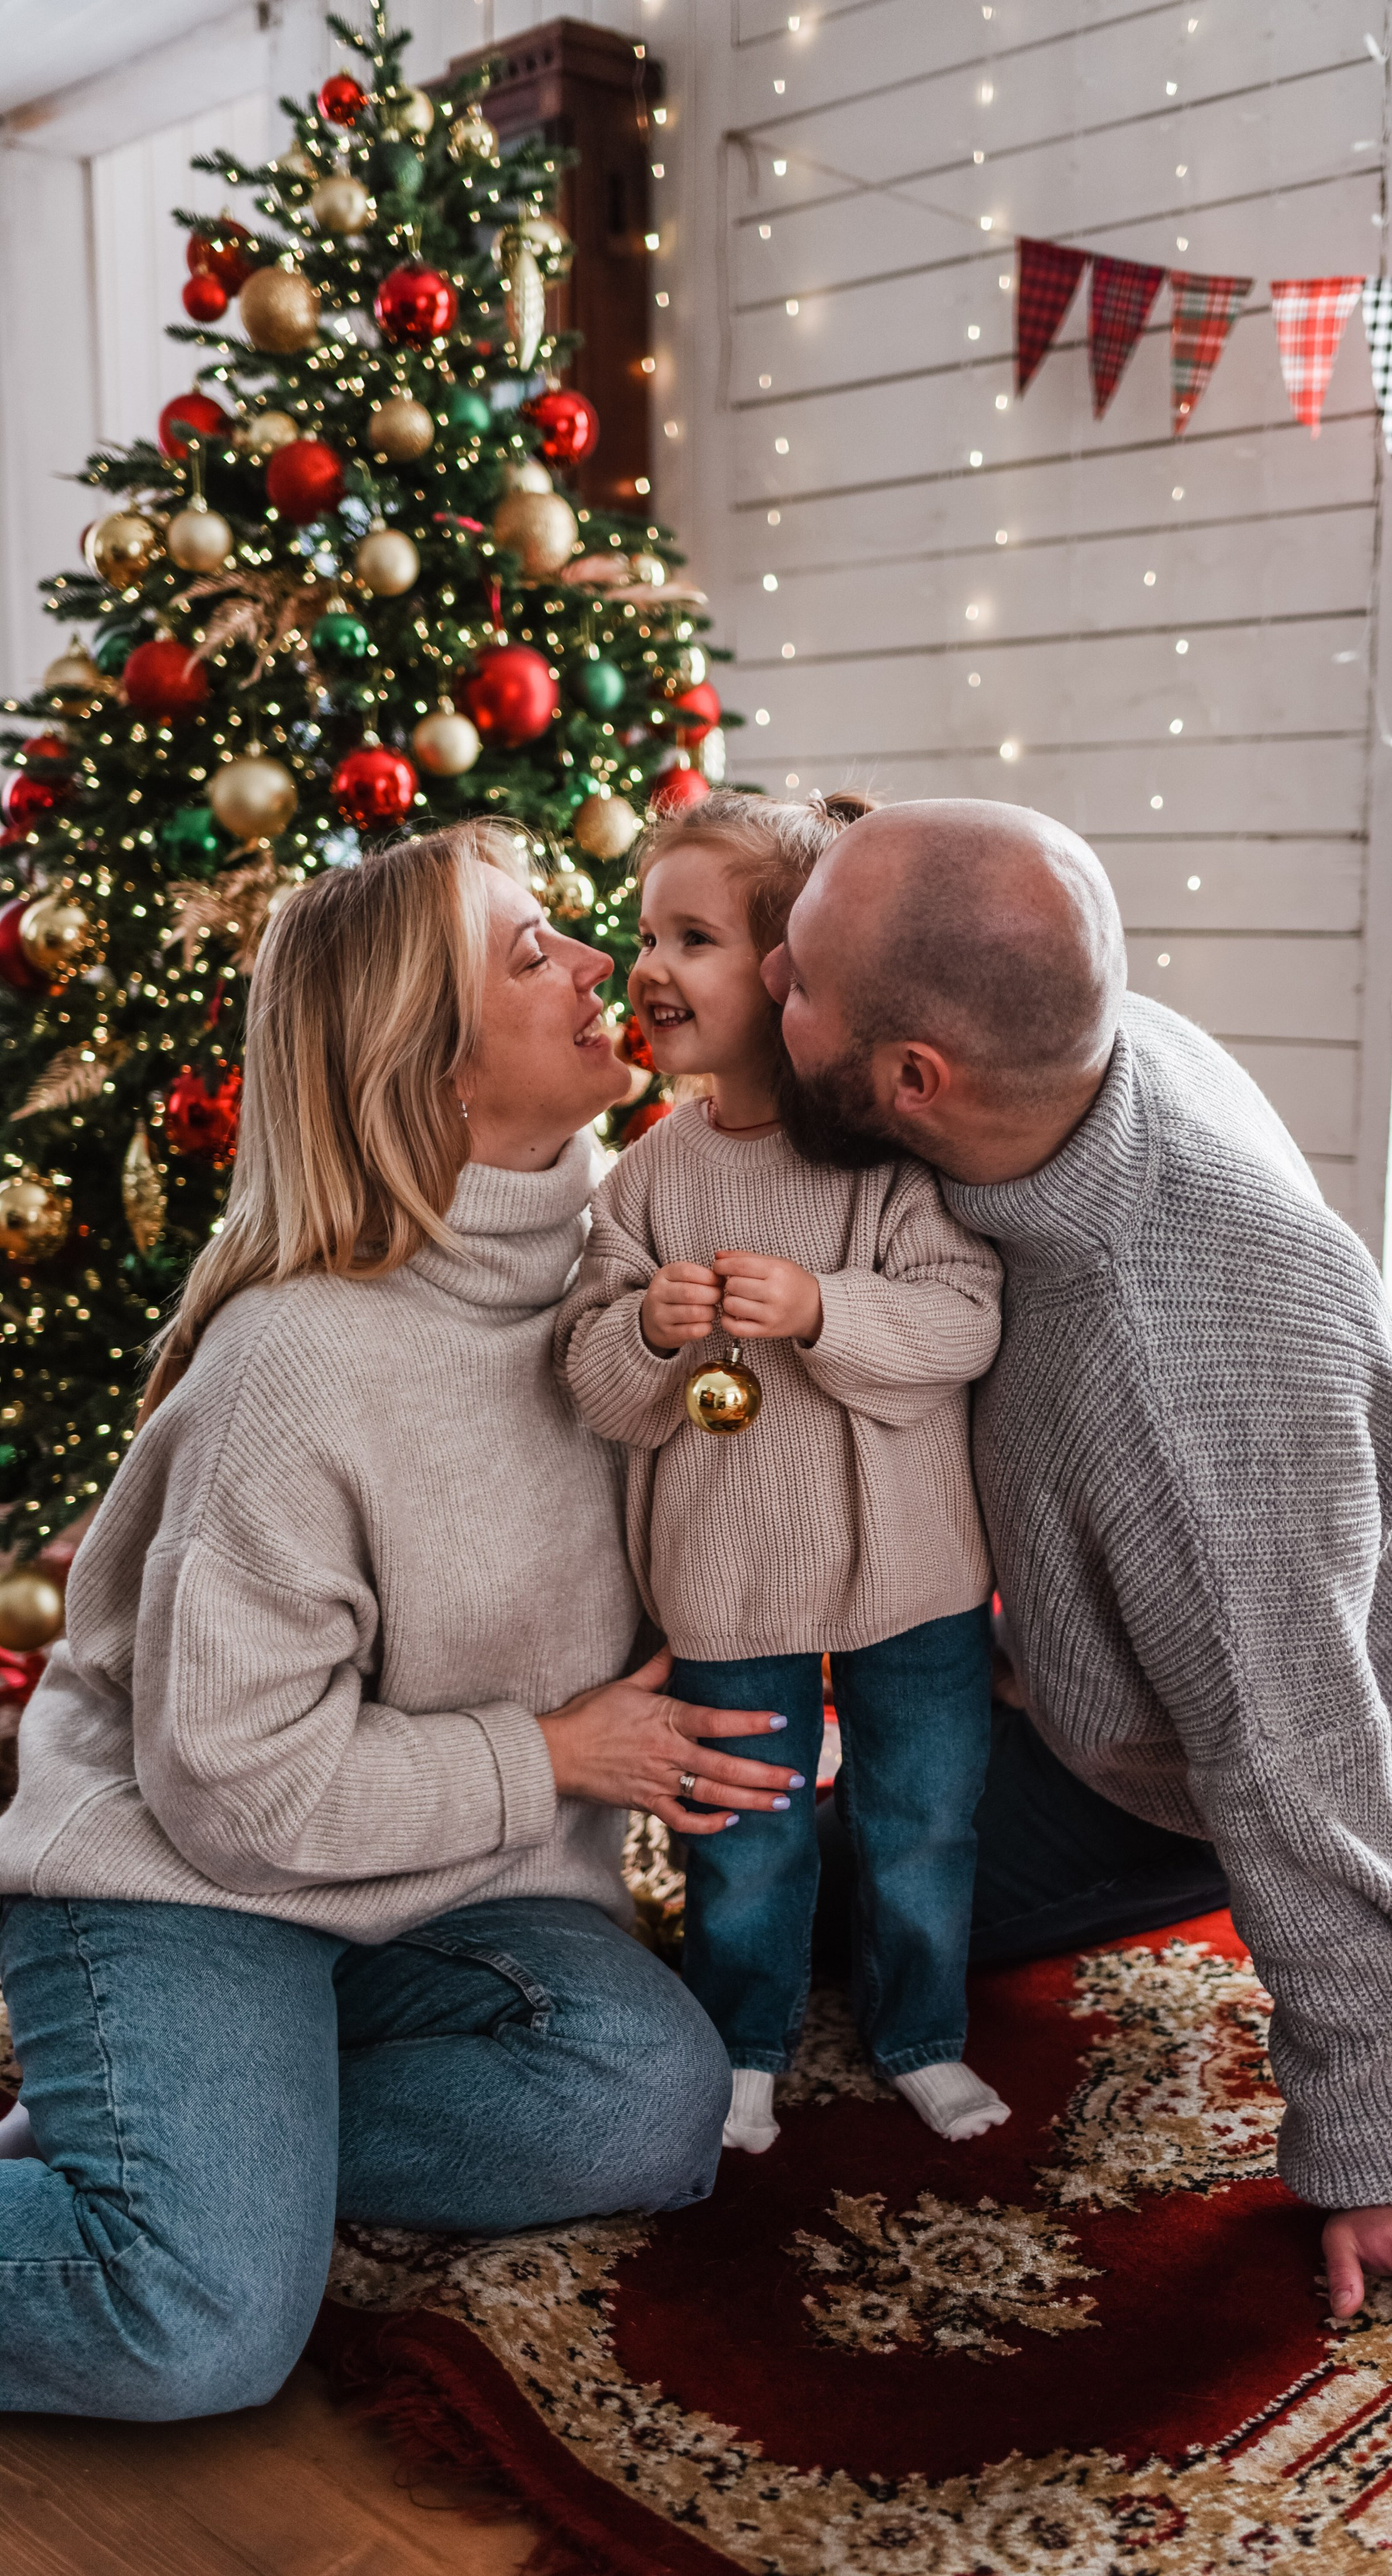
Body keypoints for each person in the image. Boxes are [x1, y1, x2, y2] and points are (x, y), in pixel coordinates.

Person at [766, 795, 1392, 2364]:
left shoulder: (1179, 1380)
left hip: (1294, 1720)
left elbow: (1295, 1761)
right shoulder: (1081, 1045)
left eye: (794, 977)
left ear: (914, 1080)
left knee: (819, 1900)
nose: (761, 988)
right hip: (1207, 1605)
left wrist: (1386, 2160)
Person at [0, 822, 801, 2421]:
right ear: (429, 1075)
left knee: (652, 2103)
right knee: (191, 2327)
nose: (602, 963)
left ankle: (205, 2148)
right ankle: (191, 2182)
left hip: (454, 1894)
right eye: (531, 954)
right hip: (190, 1877)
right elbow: (234, 1789)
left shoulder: (634, 1273)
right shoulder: (296, 1365)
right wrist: (554, 1754)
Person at [562, 792, 1008, 2157]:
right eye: (646, 933)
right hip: (728, 1581)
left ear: (792, 974)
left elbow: (962, 1323)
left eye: (689, 937)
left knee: (919, 1820)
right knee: (741, 1839)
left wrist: (821, 1310)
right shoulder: (642, 1181)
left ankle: (919, 2029)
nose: (646, 966)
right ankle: (744, 2039)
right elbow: (593, 1383)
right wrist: (647, 1328)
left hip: (911, 1573)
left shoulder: (890, 1166)